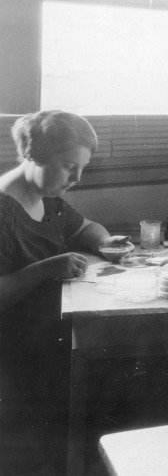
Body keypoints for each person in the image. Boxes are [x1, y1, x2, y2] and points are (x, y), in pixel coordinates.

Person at [0, 110, 129, 474]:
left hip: (46, 336)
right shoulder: (3, 208)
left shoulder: (47, 195)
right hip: (14, 353)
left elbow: (84, 226)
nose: (77, 178)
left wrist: (105, 241)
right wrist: (44, 269)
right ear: (33, 154)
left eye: (82, 167)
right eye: (69, 166)